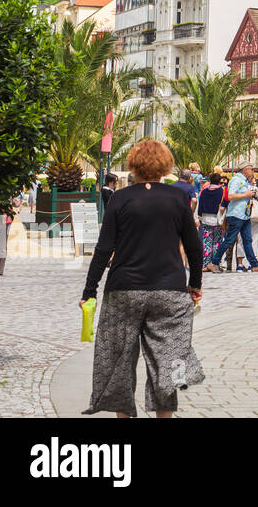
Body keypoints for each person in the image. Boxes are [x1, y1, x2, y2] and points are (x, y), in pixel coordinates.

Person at [80, 139, 204, 417]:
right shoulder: (178, 198)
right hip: (170, 290)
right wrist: (195, 284)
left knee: (118, 360)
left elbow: (103, 249)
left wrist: (89, 290)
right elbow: (195, 247)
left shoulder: (120, 198)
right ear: (166, 165)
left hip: (124, 289)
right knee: (169, 359)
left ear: (133, 164)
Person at [209, 163, 258, 272]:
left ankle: (254, 265)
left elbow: (248, 192)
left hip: (244, 215)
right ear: (245, 170)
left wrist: (257, 197)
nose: (253, 171)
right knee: (229, 240)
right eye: (251, 169)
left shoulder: (244, 181)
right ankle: (215, 262)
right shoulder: (236, 180)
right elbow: (230, 196)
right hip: (236, 214)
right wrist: (245, 195)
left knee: (247, 240)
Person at [196, 173, 227, 271]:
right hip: (217, 218)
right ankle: (214, 262)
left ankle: (205, 264)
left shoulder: (204, 191)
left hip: (205, 218)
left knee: (207, 241)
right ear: (219, 181)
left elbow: (200, 204)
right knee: (217, 241)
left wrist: (200, 215)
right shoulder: (221, 191)